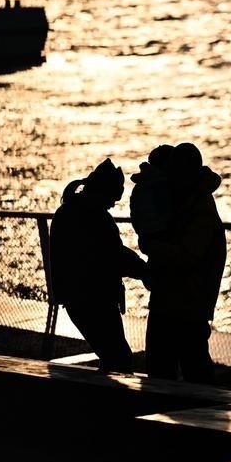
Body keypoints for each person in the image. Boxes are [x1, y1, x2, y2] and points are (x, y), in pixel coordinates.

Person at [130, 142, 227, 383]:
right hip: (172, 298)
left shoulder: (199, 208)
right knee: (166, 366)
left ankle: (201, 406)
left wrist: (151, 245)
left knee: (191, 368)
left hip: (188, 302)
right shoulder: (184, 201)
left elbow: (186, 255)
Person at [49, 158, 149, 374]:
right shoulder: (95, 217)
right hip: (95, 298)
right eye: (112, 198)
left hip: (77, 298)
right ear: (103, 192)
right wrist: (145, 271)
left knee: (111, 355)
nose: (113, 204)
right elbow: (114, 255)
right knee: (119, 357)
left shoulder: (68, 212)